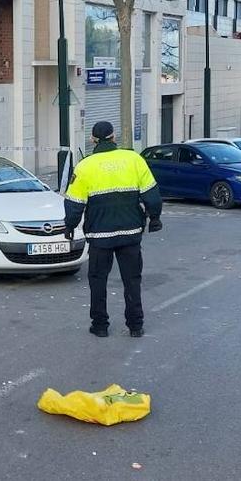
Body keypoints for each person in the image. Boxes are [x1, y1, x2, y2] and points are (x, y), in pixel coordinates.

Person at [63, 121, 163, 338]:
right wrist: (155, 218)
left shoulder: (85, 166)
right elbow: (152, 194)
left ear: (93, 139)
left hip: (100, 236)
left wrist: (70, 226)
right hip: (130, 232)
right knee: (132, 280)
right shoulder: (133, 159)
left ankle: (100, 326)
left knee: (98, 281)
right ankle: (135, 326)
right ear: (113, 136)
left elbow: (74, 204)